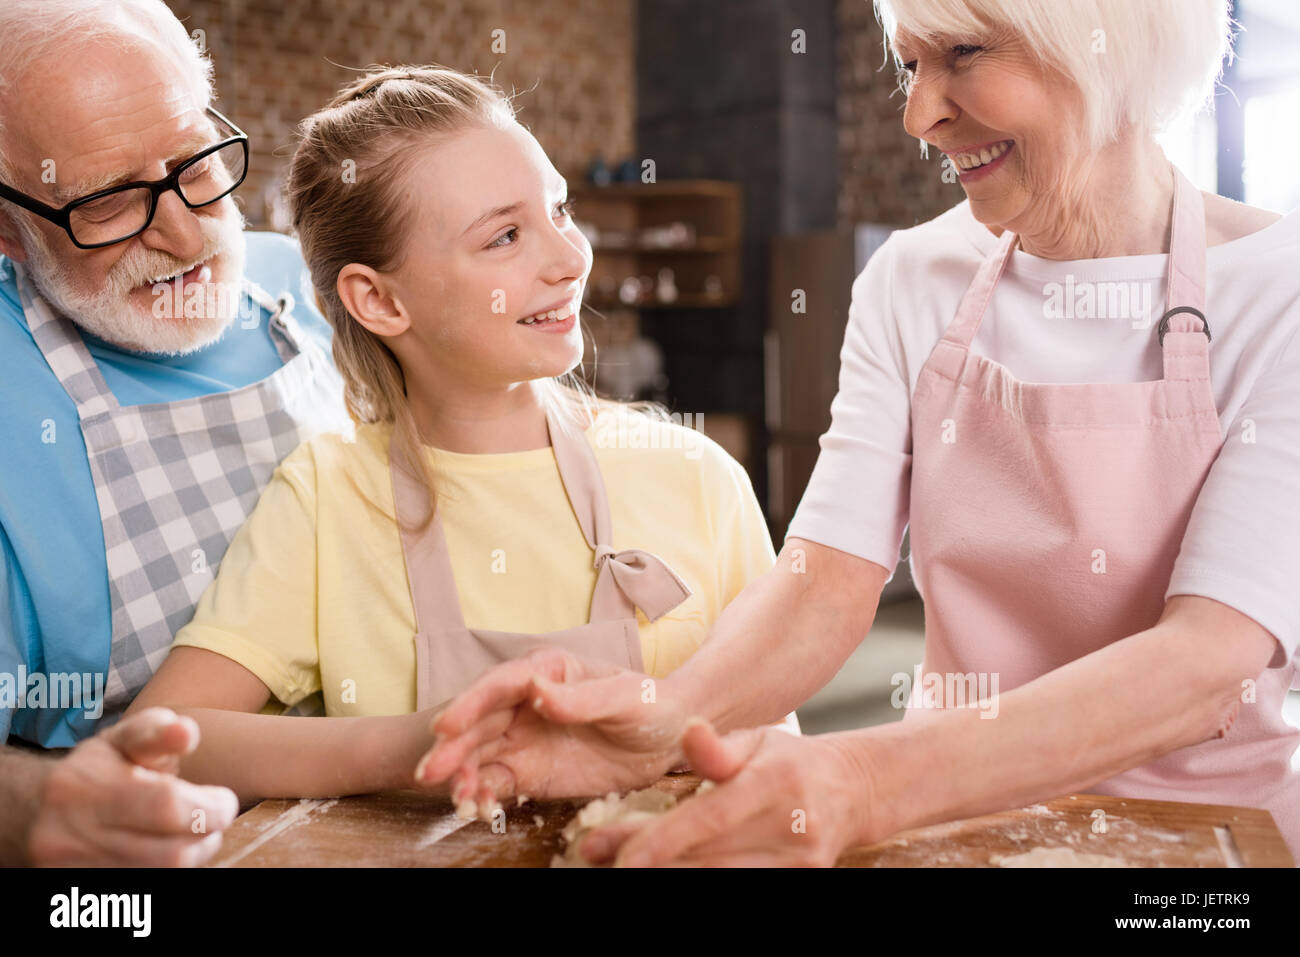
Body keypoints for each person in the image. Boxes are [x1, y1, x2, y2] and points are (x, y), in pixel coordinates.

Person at [415, 0, 1300, 866]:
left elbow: (1207, 664)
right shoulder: (911, 280)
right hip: (957, 821)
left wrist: (861, 783)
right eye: (912, 66)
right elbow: (824, 581)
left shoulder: (1281, 293)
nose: (922, 114)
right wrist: (660, 721)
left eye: (962, 52)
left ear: (1104, 44)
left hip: (1209, 843)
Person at [127, 66, 794, 806]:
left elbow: (777, 754)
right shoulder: (328, 496)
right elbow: (162, 739)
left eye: (560, 210)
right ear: (378, 300)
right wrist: (423, 740)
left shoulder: (696, 476)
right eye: (505, 235)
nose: (572, 260)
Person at [0, 0, 347, 864]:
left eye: (195, 162)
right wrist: (36, 806)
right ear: (6, 226)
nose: (187, 234)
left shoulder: (304, 285)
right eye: (112, 201)